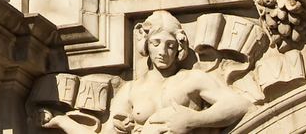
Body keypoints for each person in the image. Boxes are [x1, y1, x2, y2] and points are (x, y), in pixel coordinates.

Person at [104, 11, 250, 134]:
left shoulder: (192, 79)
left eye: (170, 45)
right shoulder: (130, 90)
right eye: (156, 43)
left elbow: (241, 104)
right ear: (146, 45)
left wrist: (193, 120)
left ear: (178, 48)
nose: (162, 52)